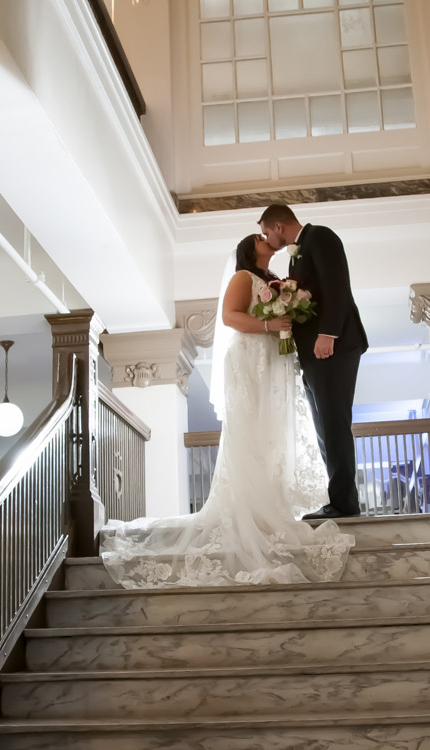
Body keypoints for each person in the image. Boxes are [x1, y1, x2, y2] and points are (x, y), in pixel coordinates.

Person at [97, 234, 354, 588]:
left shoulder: (274, 280)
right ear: (250, 249)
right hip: (249, 358)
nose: (269, 240)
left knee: (271, 434)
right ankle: (249, 508)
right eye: (261, 238)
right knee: (250, 430)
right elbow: (230, 316)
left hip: (271, 358)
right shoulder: (242, 277)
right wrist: (269, 325)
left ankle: (269, 503)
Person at [258, 204, 370, 519]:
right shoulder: (296, 254)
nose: (267, 239)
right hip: (314, 353)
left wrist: (327, 334)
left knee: (334, 423)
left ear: (278, 226)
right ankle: (340, 500)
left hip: (333, 346)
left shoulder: (320, 237)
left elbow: (336, 286)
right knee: (323, 427)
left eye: (266, 232)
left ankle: (344, 505)